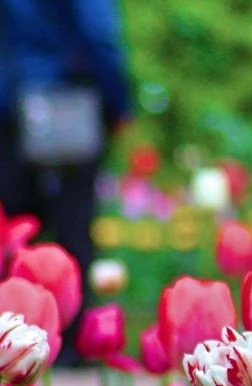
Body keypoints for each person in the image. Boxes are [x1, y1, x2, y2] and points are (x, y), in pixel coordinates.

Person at [0, 0, 132, 364]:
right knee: (72, 228)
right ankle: (68, 345)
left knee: (10, 235)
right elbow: (99, 35)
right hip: (64, 104)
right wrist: (120, 104)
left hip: (9, 106)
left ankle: (10, 339)